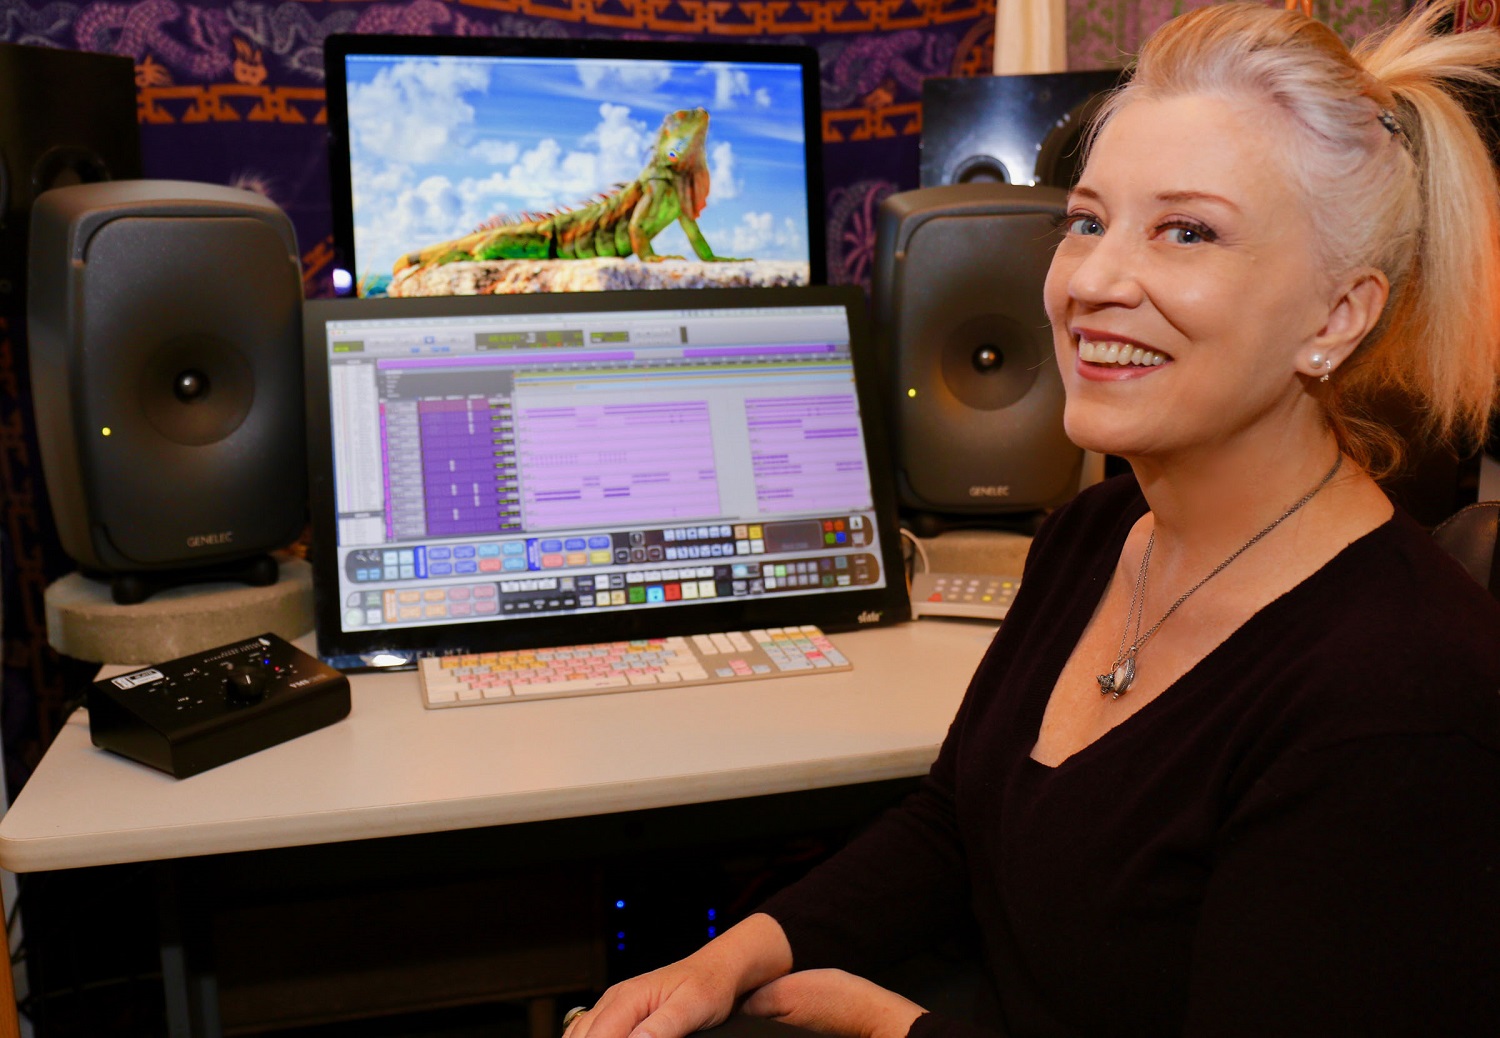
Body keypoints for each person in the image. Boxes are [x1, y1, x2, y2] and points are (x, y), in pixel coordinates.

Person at [565, 3, 1500, 1035]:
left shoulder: (1404, 696)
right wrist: (733, 955)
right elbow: (953, 825)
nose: (1090, 281)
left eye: (1187, 232)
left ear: (1337, 315)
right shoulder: (1096, 533)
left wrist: (891, 1027)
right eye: (1087, 221)